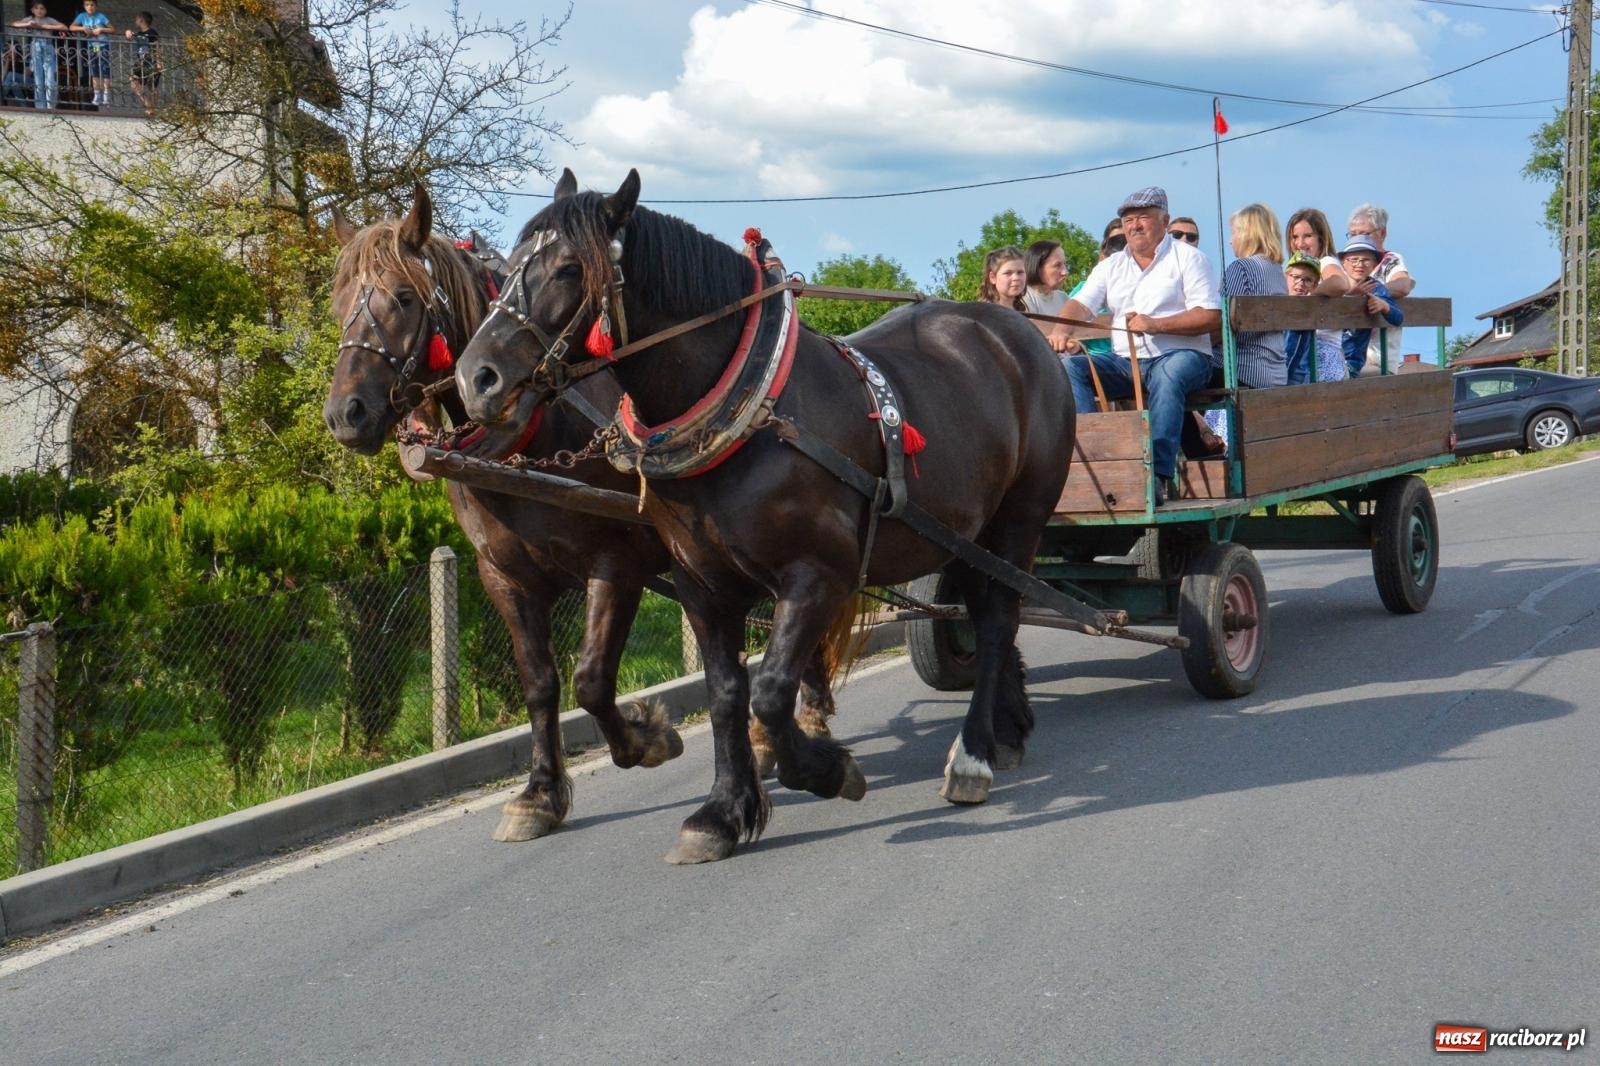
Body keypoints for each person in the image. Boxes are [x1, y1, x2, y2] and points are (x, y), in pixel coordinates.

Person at [1060, 186, 1221, 506]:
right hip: (1125, 362)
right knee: (1069, 367)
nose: (1134, 225)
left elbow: (1210, 316)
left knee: (1168, 376)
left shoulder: (1189, 258)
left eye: (1142, 217)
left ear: (1165, 221)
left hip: (1184, 355)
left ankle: (1157, 476)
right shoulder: (1111, 266)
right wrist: (1060, 330)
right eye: (1128, 220)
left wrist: (1156, 324)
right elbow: (1081, 304)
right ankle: (1096, 459)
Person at [1216, 203, 1288, 388]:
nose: (1230, 241)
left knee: (1180, 375)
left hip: (1243, 371)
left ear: (1247, 234)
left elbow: (1223, 326)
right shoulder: (1278, 271)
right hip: (1277, 373)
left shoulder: (1240, 268)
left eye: (1234, 233)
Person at [1346, 203, 1413, 374]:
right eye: (1353, 234)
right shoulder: (1350, 263)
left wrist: (1369, 292)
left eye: (1365, 234)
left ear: (1382, 234)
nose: (1358, 239)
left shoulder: (1390, 260)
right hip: (1349, 353)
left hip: (1377, 359)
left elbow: (1403, 285)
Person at [1337, 234, 1403, 377]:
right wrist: (1350, 296)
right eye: (1354, 259)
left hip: (1352, 360)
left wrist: (1384, 306)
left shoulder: (1375, 288)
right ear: (1343, 262)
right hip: (1328, 352)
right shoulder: (1337, 285)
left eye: (1366, 260)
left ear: (1374, 264)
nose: (1359, 264)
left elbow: (1398, 318)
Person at [1282, 253, 1348, 384]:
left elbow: (1296, 356)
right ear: (1285, 277)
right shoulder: (1276, 302)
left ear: (1315, 286)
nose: (1300, 283)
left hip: (1295, 376)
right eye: (1295, 277)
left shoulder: (1311, 309)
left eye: (1307, 280)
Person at [10, 2, 66, 110]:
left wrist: (45, 26)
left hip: (47, 47)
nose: (39, 10)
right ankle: (40, 107)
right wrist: (28, 24)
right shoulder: (30, 19)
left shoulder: (48, 19)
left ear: (46, 10)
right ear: (32, 10)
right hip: (36, 47)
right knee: (38, 79)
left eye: (42, 8)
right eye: (37, 8)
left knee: (50, 79)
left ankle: (51, 105)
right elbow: (14, 24)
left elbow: (64, 26)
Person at [1284, 207, 1350, 297]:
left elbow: (1340, 283)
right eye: (1295, 237)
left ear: (1321, 239)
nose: (1300, 244)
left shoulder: (1325, 261)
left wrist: (1311, 297)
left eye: (1308, 236)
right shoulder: (1290, 268)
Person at [1022, 239, 1071, 352]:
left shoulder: (1063, 297)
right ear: (1037, 267)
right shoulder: (1024, 298)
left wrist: (1075, 347)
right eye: (1057, 265)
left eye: (1064, 264)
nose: (1065, 272)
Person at [70, 0, 113, 107]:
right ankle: (97, 94)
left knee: (105, 69)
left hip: (103, 46)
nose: (90, 7)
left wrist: (101, 29)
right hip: (93, 47)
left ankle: (106, 95)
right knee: (94, 69)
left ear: (96, 6)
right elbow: (72, 27)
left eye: (92, 5)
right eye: (87, 5)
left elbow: (112, 29)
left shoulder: (101, 16)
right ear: (84, 6)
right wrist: (83, 28)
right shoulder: (82, 16)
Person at [124, 10, 159, 114]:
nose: (135, 22)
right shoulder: (139, 34)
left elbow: (157, 47)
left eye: (136, 20)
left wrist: (158, 62)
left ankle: (152, 109)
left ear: (141, 20)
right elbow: (129, 38)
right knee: (133, 79)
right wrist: (127, 32)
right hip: (141, 63)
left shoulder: (152, 33)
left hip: (151, 62)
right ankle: (147, 103)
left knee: (152, 86)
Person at [979, 246, 1027, 311]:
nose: (1016, 278)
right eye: (1008, 273)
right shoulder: (984, 311)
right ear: (993, 277)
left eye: (1020, 272)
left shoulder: (1023, 309)